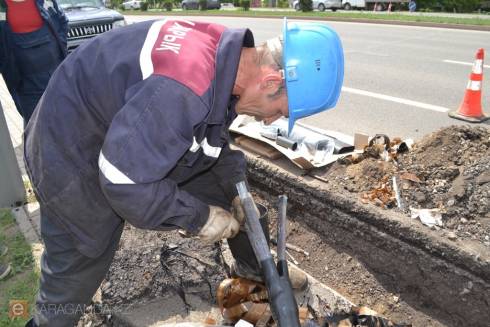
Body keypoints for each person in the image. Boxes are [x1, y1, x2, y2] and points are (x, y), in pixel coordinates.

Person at [24, 18, 344, 326]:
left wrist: (235, 187)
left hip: (129, 127)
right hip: (69, 148)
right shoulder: (184, 89)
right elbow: (124, 183)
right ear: (271, 81)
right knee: (80, 264)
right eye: (280, 112)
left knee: (238, 199)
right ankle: (47, 321)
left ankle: (258, 276)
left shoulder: (228, 57)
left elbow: (210, 132)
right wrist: (199, 217)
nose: (272, 121)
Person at [0, 0, 67, 124]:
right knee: (36, 126)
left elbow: (62, 20)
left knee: (67, 119)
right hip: (25, 85)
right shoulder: (1, 7)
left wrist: (61, 45)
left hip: (58, 74)